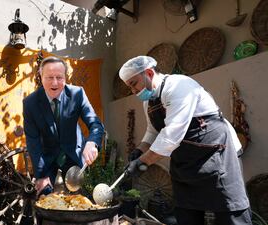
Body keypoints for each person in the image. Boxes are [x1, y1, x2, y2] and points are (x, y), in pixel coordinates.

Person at [119, 56, 252, 225]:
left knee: (229, 212)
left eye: (133, 83)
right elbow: (153, 131)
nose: (133, 90)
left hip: (216, 154)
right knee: (186, 214)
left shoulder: (179, 86)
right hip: (185, 162)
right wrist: (139, 150)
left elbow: (171, 136)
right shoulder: (149, 101)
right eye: (129, 86)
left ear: (149, 73)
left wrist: (141, 163)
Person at [23, 56, 104, 196]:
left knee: (78, 197)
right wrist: (41, 176)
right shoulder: (30, 103)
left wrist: (92, 143)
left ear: (65, 78)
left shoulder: (77, 94)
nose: (55, 83)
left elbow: (95, 124)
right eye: (49, 77)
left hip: (74, 152)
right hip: (47, 156)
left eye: (59, 77)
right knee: (45, 198)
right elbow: (33, 141)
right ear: (41, 77)